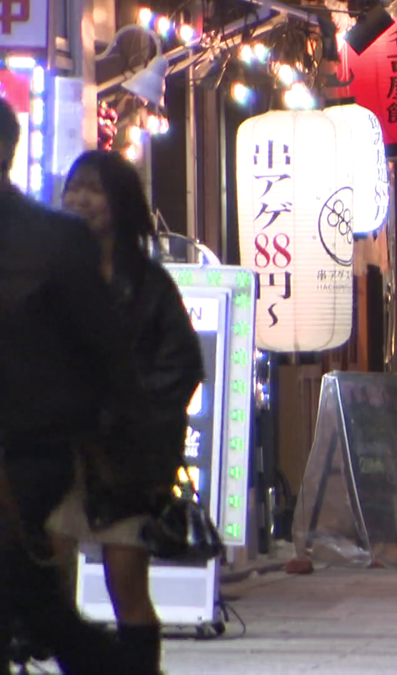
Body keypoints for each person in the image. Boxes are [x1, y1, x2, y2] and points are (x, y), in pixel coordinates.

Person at [0, 98, 149, 673]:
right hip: (36, 443)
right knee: (33, 598)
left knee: (33, 595)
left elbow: (105, 350)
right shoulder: (57, 238)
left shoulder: (54, 241)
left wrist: (127, 451)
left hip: (30, 452)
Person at [43, 150, 205, 673]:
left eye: (93, 189)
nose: (79, 199)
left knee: (125, 582)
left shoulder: (150, 284)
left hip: (126, 460)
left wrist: (127, 414)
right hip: (62, 452)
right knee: (50, 583)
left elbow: (181, 366)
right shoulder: (52, 274)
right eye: (73, 187)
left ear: (119, 202)